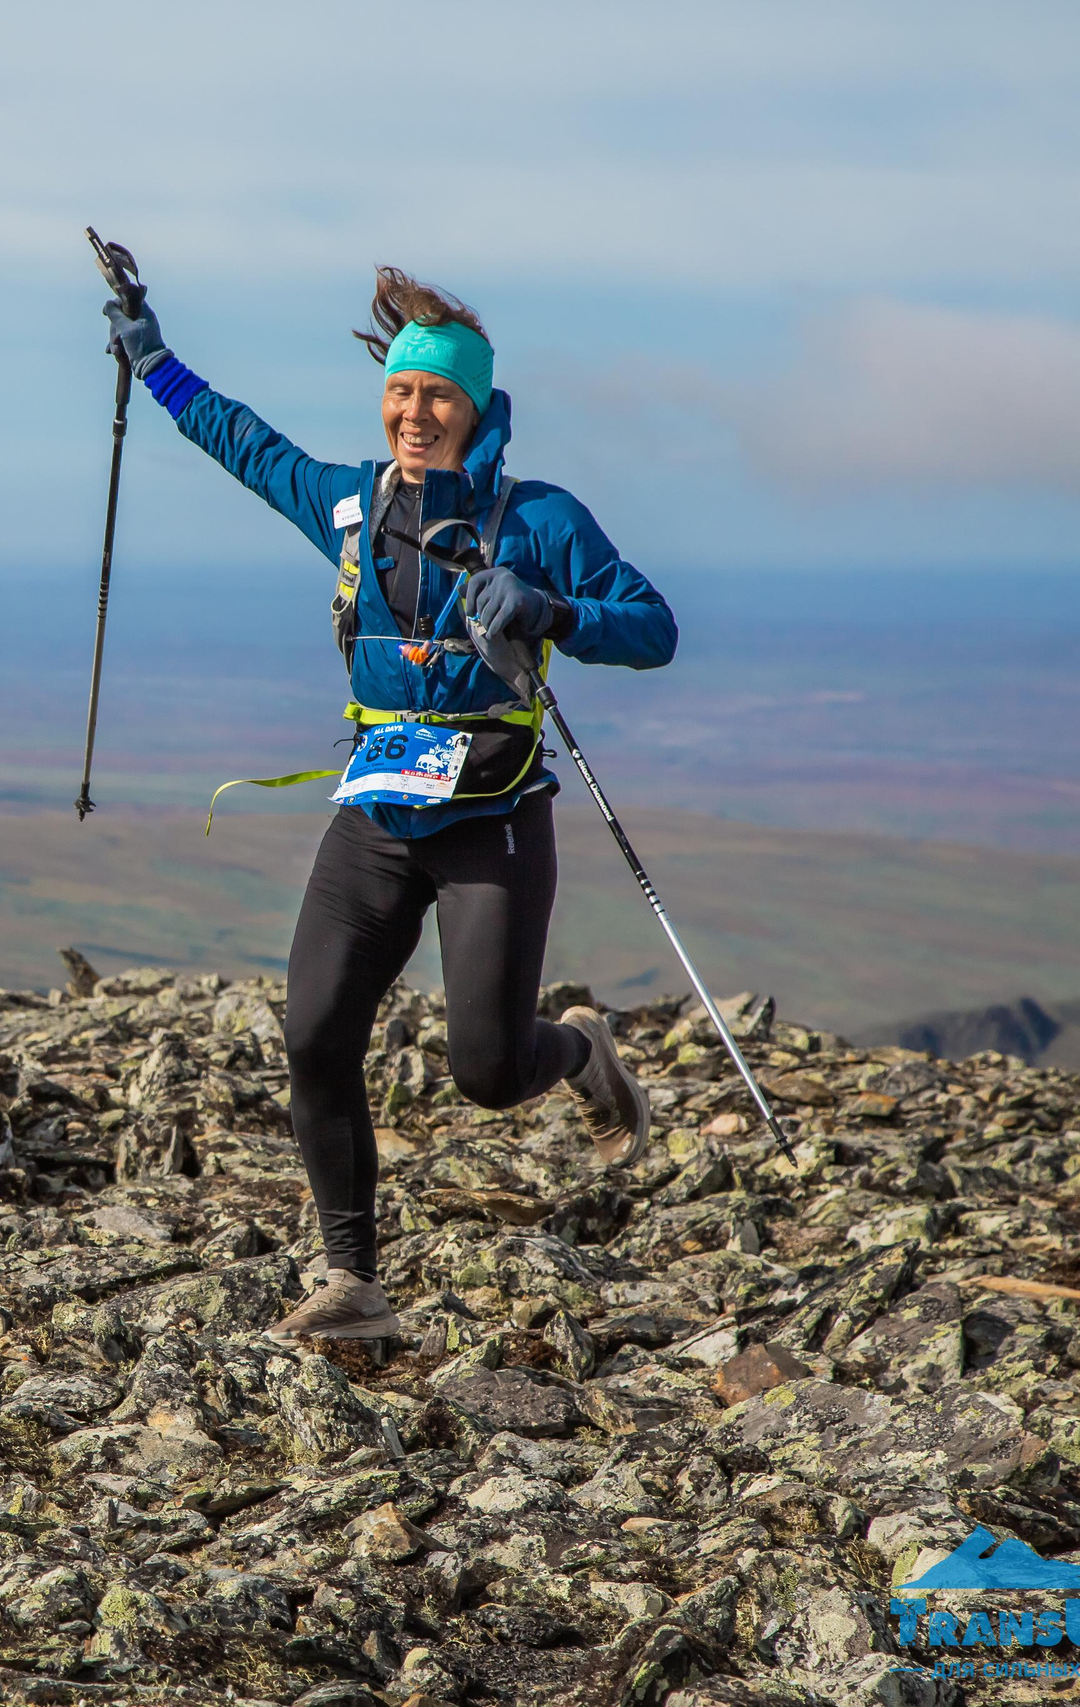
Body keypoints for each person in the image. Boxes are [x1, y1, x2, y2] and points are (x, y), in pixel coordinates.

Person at [102, 268, 677, 1346]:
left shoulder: (541, 519)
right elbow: (246, 445)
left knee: (488, 1072)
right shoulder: (351, 506)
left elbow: (653, 627)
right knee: (315, 1036)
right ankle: (351, 1279)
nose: (414, 415)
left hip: (491, 823)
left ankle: (581, 1052)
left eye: (438, 398)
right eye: (401, 394)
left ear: (476, 409)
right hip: (374, 815)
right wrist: (153, 363)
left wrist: (549, 605)